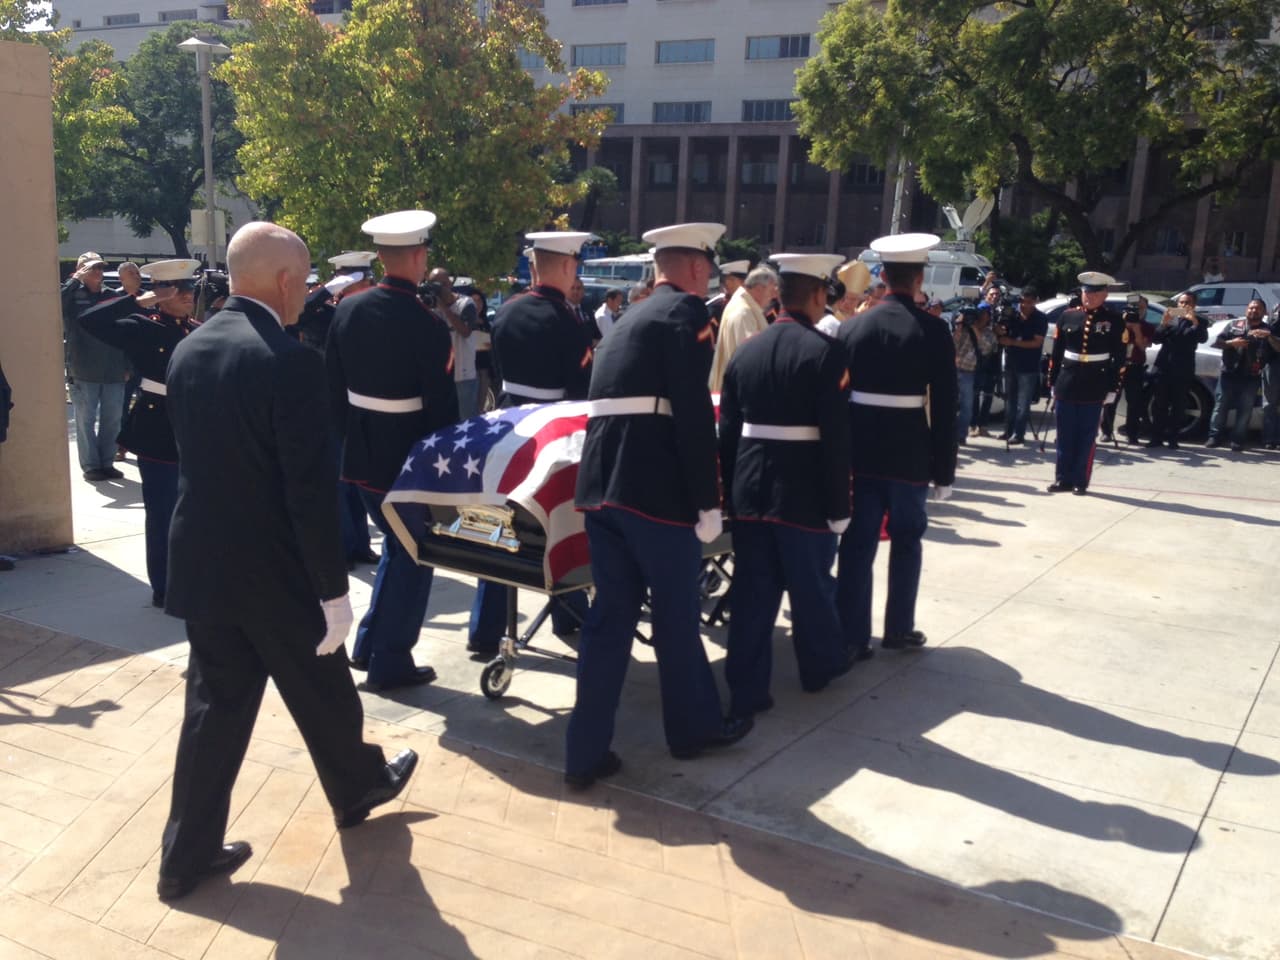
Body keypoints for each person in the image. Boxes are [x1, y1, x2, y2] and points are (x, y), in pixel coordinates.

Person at [157, 221, 416, 903]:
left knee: (218, 707)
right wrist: (333, 591)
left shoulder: (192, 347)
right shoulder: (288, 358)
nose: (304, 294)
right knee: (321, 680)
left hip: (205, 561)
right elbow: (308, 490)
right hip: (273, 569)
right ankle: (359, 782)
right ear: (283, 281)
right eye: (301, 281)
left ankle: (185, 855)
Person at [568, 221, 753, 789]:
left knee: (609, 621)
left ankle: (584, 753)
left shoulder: (630, 317)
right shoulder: (686, 315)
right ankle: (694, 729)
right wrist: (709, 500)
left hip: (601, 490)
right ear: (697, 268)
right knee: (675, 618)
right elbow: (694, 414)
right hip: (653, 495)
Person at [719, 252, 855, 719]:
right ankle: (817, 669)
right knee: (812, 588)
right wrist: (841, 504)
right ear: (818, 294)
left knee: (754, 595)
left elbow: (728, 433)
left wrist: (729, 496)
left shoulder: (747, 351)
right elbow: (837, 437)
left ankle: (746, 688)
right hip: (804, 492)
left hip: (751, 491)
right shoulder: (827, 351)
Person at [326, 210, 458, 692]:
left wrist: (348, 445)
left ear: (381, 257)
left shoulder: (347, 309)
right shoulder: (426, 324)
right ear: (419, 257)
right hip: (404, 463)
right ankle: (390, 661)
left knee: (397, 552)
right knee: (414, 555)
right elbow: (440, 410)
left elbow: (332, 389)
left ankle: (369, 644)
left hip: (358, 457)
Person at [469, 231, 596, 658]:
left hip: (508, 428)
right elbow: (581, 391)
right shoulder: (568, 320)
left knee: (501, 529)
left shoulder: (506, 312)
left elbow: (500, 371)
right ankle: (570, 613)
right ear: (564, 266)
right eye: (574, 265)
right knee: (558, 525)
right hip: (553, 437)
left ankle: (485, 629)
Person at [835, 233, 957, 657]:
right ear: (919, 278)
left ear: (883, 277)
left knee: (857, 545)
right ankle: (899, 628)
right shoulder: (934, 330)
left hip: (861, 453)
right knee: (907, 540)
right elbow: (945, 406)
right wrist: (944, 470)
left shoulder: (851, 328)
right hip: (909, 455)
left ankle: (852, 635)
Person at [79, 259, 202, 606]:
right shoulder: (141, 324)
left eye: (189, 289)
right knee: (163, 511)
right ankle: (165, 587)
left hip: (194, 427)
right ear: (163, 292)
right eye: (179, 291)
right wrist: (144, 299)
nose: (187, 296)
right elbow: (90, 321)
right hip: (157, 425)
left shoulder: (195, 328)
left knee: (193, 512)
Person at [1047, 272, 1127, 493]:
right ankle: (1063, 478)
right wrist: (1053, 382)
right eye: (1085, 292)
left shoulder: (1114, 321)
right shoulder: (1067, 317)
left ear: (1104, 294)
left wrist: (1113, 387)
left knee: (1086, 436)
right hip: (1067, 381)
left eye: (1094, 293)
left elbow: (1119, 358)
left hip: (1095, 383)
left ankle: (1080, 481)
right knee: (1064, 434)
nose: (1088, 297)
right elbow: (1057, 353)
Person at [61, 252, 129, 482]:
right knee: (85, 420)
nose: (98, 273)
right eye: (92, 268)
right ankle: (91, 466)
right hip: (83, 368)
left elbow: (126, 329)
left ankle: (107, 462)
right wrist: (73, 282)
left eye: (100, 268)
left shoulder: (111, 296)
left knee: (112, 419)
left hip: (113, 369)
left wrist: (128, 363)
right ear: (80, 271)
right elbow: (54, 306)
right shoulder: (71, 295)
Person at [1206, 297, 1269, 451]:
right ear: (1246, 309)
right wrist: (1231, 343)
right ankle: (1214, 437)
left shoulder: (1267, 330)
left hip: (1251, 376)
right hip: (1229, 373)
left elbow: (1274, 351)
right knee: (1220, 407)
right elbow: (1217, 343)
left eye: (1258, 308)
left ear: (1264, 312)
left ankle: (1237, 440)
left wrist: (1268, 337)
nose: (1254, 310)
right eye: (1251, 308)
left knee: (1245, 410)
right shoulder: (1235, 325)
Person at [1147, 291, 1208, 449]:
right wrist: (1163, 323)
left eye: (1187, 303)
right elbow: (1156, 339)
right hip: (1164, 367)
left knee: (1178, 405)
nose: (1183, 305)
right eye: (1181, 302)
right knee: (1159, 404)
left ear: (1194, 305)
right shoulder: (1171, 318)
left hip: (1183, 369)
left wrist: (1193, 322)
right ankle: (1156, 437)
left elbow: (1202, 338)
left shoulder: (1199, 320)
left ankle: (1173, 439)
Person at [708, 265, 778, 392]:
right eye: (772, 290)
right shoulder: (743, 313)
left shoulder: (744, 306)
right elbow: (751, 362)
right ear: (759, 289)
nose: (774, 296)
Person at [428, 267, 482, 420]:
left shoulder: (466, 303)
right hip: (441, 377)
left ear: (450, 284)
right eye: (433, 285)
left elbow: (465, 331)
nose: (438, 289)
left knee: (465, 423)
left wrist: (444, 308)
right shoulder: (430, 305)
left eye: (441, 285)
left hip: (463, 377)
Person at [996, 286, 1048, 444]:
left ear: (1035, 301)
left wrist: (1012, 342)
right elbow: (1002, 334)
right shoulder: (1013, 315)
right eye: (1022, 302)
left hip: (1028, 366)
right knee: (1010, 401)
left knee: (1023, 404)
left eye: (1029, 302)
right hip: (1011, 363)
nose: (1025, 305)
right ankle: (1008, 431)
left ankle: (1019, 434)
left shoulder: (1040, 318)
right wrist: (999, 328)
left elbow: (1036, 343)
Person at [1099, 296, 1154, 444]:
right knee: (1111, 399)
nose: (1138, 311)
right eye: (1135, 307)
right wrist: (1122, 324)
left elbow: (1143, 347)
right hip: (1116, 366)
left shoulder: (1147, 326)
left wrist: (1136, 330)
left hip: (1135, 366)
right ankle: (1106, 431)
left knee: (1134, 401)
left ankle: (1132, 433)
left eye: (1141, 308)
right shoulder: (1116, 323)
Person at [952, 306, 996, 444]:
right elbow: (953, 343)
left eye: (985, 314)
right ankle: (949, 434)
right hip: (953, 369)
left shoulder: (990, 334)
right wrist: (959, 325)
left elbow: (985, 347)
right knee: (949, 405)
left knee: (967, 407)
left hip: (969, 372)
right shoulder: (963, 329)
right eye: (980, 314)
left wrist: (975, 328)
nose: (982, 317)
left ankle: (960, 436)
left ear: (989, 317)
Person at [705, 259, 750, 334]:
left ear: (743, 283)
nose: (727, 283)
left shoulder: (751, 303)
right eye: (726, 280)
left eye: (732, 280)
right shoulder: (717, 305)